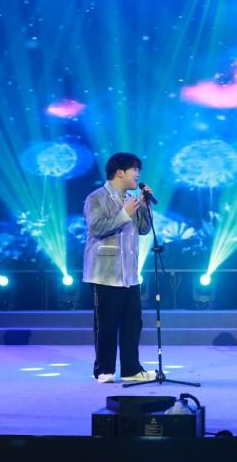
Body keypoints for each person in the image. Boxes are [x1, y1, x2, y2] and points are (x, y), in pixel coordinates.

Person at [83, 152, 154, 383]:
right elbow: (96, 227)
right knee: (106, 324)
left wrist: (144, 206)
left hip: (130, 274)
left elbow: (144, 229)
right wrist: (125, 213)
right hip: (104, 273)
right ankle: (104, 369)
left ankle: (131, 369)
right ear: (120, 172)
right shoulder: (96, 198)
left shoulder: (132, 199)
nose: (138, 175)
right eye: (134, 169)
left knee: (133, 323)